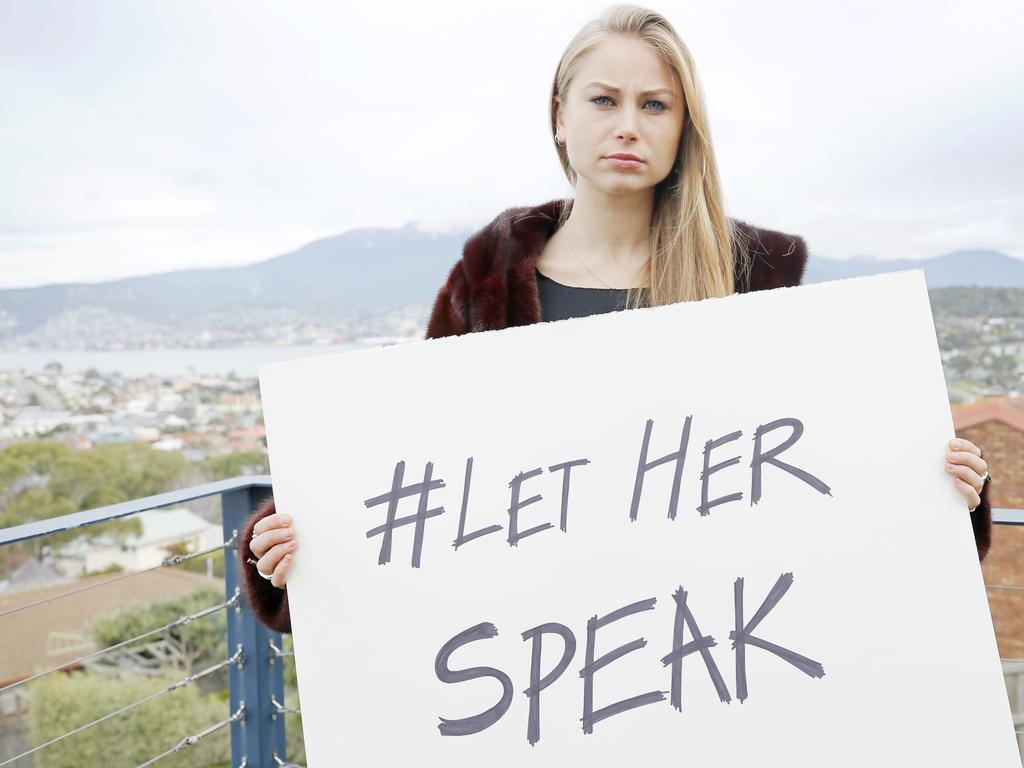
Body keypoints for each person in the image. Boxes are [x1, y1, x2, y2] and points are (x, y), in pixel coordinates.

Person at [240, 4, 993, 634]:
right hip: (537, 652)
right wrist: (290, 534)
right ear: (560, 118)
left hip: (722, 642)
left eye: (654, 104)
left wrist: (943, 486)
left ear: (681, 130)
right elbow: (413, 461)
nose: (628, 125)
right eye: (604, 100)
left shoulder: (753, 280)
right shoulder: (488, 282)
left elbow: (827, 466)